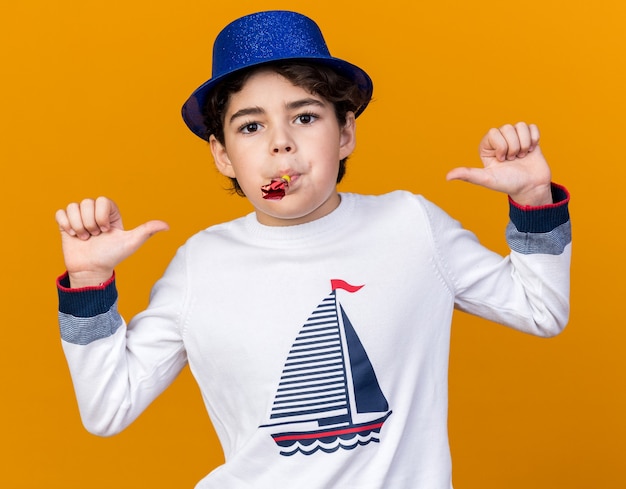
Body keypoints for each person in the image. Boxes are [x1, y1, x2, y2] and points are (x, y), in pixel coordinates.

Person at [55, 10, 571, 489]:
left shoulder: (411, 225)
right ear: (222, 155)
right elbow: (108, 409)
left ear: (345, 132)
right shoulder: (201, 264)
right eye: (251, 126)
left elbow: (541, 308)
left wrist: (532, 200)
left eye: (305, 117)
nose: (280, 144)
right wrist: (88, 283)